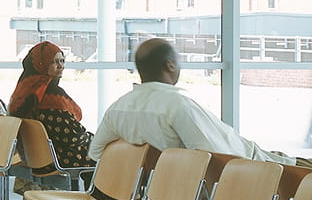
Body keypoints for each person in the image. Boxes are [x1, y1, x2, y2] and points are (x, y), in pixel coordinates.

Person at [90, 38, 295, 167]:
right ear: (170, 65)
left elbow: (97, 153)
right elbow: (215, 157)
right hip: (259, 168)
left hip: (172, 185)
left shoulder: (117, 108)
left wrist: (145, 164)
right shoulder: (178, 106)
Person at [8, 41, 92, 174]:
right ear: (41, 65)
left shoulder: (23, 91)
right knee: (106, 153)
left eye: (62, 61)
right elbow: (74, 137)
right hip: (58, 159)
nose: (61, 66)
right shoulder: (51, 96)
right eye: (54, 62)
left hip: (33, 158)